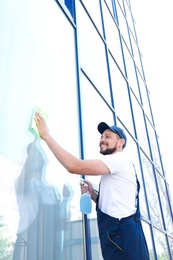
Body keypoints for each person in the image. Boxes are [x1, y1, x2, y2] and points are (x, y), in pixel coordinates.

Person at [34, 112, 150, 260]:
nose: (102, 140)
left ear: (121, 142)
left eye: (107, 137)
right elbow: (116, 203)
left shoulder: (118, 160)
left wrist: (47, 136)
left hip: (123, 238)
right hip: (121, 238)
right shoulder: (115, 168)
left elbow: (73, 166)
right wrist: (94, 194)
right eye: (101, 137)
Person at [13, 140, 73, 260]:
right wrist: (35, 141)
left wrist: (66, 199)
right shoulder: (25, 183)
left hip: (50, 248)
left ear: (44, 160)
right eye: (33, 156)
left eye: (38, 154)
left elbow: (63, 225)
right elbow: (21, 183)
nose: (36, 157)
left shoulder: (53, 190)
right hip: (28, 243)